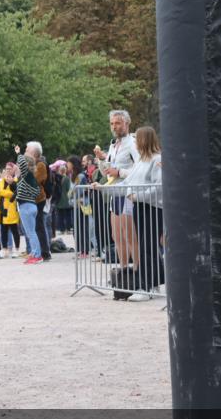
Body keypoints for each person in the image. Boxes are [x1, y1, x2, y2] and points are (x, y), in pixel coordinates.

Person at [96, 126, 164, 302]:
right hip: (139, 207)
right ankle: (151, 284)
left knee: (147, 247)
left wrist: (137, 196)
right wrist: (104, 188)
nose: (135, 143)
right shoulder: (141, 161)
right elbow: (126, 183)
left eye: (137, 139)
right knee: (145, 246)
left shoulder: (157, 160)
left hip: (152, 208)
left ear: (143, 140)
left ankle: (147, 287)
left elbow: (159, 187)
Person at [94, 110, 140, 270]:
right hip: (115, 193)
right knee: (117, 235)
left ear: (127, 123)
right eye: (112, 123)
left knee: (130, 234)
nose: (114, 126)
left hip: (128, 193)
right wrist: (101, 159)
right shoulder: (113, 145)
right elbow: (106, 172)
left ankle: (138, 270)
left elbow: (140, 168)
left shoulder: (133, 143)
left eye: (118, 123)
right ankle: (123, 269)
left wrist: (119, 172)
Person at [13, 144, 44, 265]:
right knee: (30, 232)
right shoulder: (29, 178)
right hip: (31, 206)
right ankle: (34, 253)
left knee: (31, 233)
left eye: (19, 164)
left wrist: (18, 153)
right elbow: (36, 192)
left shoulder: (27, 175)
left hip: (26, 207)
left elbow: (22, 162)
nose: (17, 165)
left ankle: (37, 255)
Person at [0, 162, 20, 259]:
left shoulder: (16, 180)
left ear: (13, 170)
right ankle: (4, 249)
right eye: (6, 169)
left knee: (14, 230)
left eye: (10, 169)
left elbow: (13, 194)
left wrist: (0, 192)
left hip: (11, 209)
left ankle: (16, 249)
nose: (8, 170)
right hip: (1, 209)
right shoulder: (1, 181)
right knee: (3, 230)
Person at [68, 155, 93, 257]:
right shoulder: (73, 176)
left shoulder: (80, 176)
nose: (67, 165)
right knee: (76, 229)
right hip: (76, 204)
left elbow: (77, 191)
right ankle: (80, 249)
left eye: (69, 163)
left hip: (82, 205)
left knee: (83, 228)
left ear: (73, 164)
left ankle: (85, 250)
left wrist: (70, 194)